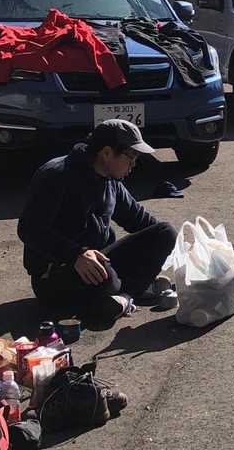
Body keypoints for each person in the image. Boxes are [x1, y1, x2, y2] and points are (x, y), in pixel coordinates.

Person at [18, 119, 177, 320]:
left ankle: (121, 298)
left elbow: (139, 221)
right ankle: (126, 293)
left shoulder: (111, 181)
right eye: (131, 157)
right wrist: (76, 255)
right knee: (108, 279)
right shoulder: (56, 175)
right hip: (56, 275)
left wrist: (179, 249)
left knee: (166, 233)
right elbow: (29, 229)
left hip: (99, 263)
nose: (134, 164)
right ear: (107, 153)